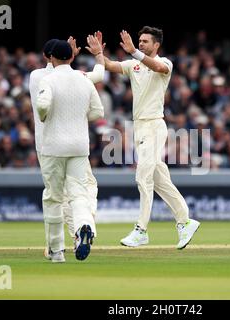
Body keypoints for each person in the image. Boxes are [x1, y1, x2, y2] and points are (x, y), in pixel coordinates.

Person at [102, 26, 200, 249]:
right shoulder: (133, 65)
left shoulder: (165, 63)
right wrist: (99, 53)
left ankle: (141, 230)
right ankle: (185, 221)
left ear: (156, 44)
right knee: (160, 181)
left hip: (155, 126)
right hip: (139, 129)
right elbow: (110, 65)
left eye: (145, 41)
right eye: (140, 40)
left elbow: (157, 66)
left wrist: (134, 51)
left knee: (142, 176)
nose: (141, 43)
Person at [29, 34, 105, 260]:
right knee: (79, 194)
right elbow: (98, 112)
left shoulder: (44, 78)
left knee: (53, 197)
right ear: (71, 56)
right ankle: (83, 225)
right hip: (79, 146)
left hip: (52, 146)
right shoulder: (83, 78)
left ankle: (56, 251)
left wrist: (46, 117)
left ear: (50, 57)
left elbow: (42, 106)